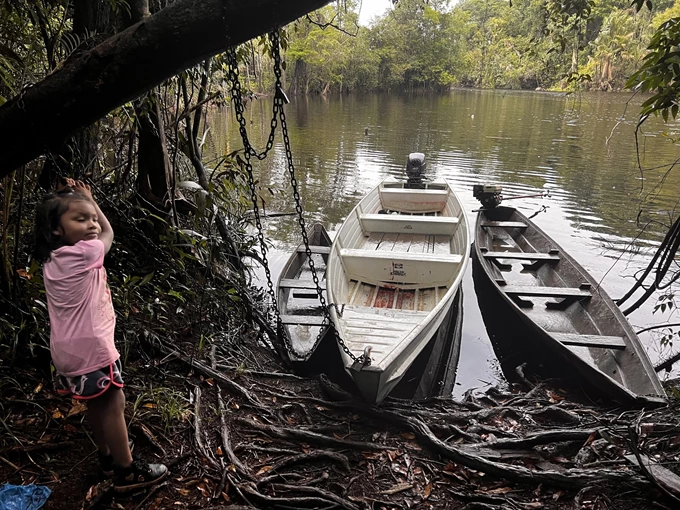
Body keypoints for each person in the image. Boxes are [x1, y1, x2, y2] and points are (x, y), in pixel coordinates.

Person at [33, 178, 167, 493]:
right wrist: (96, 204)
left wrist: (86, 204)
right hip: (93, 348)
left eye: (92, 216)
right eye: (81, 219)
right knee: (114, 401)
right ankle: (127, 470)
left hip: (67, 352)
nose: (92, 224)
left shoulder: (52, 258)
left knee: (97, 403)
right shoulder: (85, 251)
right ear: (57, 228)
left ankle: (107, 457)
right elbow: (109, 234)